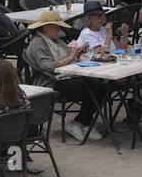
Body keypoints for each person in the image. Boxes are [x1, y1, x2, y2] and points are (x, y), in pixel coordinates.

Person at [24, 10, 98, 143]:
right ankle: (79, 123)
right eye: (56, 27)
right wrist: (70, 57)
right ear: (47, 27)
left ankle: (83, 122)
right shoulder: (37, 43)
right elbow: (48, 67)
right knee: (92, 86)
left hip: (69, 76)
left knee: (100, 85)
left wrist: (77, 53)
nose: (59, 30)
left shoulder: (56, 41)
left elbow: (69, 57)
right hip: (51, 82)